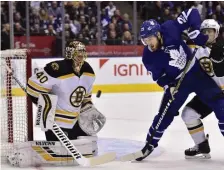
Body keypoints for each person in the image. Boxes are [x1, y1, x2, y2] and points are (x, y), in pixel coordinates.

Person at [136, 8, 224, 161]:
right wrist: (167, 86)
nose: (148, 43)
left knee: (219, 103)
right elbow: (158, 77)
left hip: (195, 73)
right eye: (145, 40)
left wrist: (196, 31)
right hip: (177, 84)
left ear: (158, 34)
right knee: (165, 114)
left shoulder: (170, 28)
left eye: (150, 38)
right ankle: (149, 144)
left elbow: (192, 12)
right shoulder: (148, 57)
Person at [7, 41, 106, 167]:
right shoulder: (57, 69)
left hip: (76, 121)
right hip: (56, 123)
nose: (80, 55)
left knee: (85, 148)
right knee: (63, 157)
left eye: (82, 52)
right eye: (77, 52)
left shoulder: (88, 71)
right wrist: (46, 107)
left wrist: (88, 106)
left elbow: (86, 96)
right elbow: (33, 86)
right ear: (70, 53)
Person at [182, 19, 224, 159]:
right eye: (204, 32)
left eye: (210, 31)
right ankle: (201, 145)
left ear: (216, 33)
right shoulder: (197, 51)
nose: (207, 34)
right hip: (210, 93)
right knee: (188, 114)